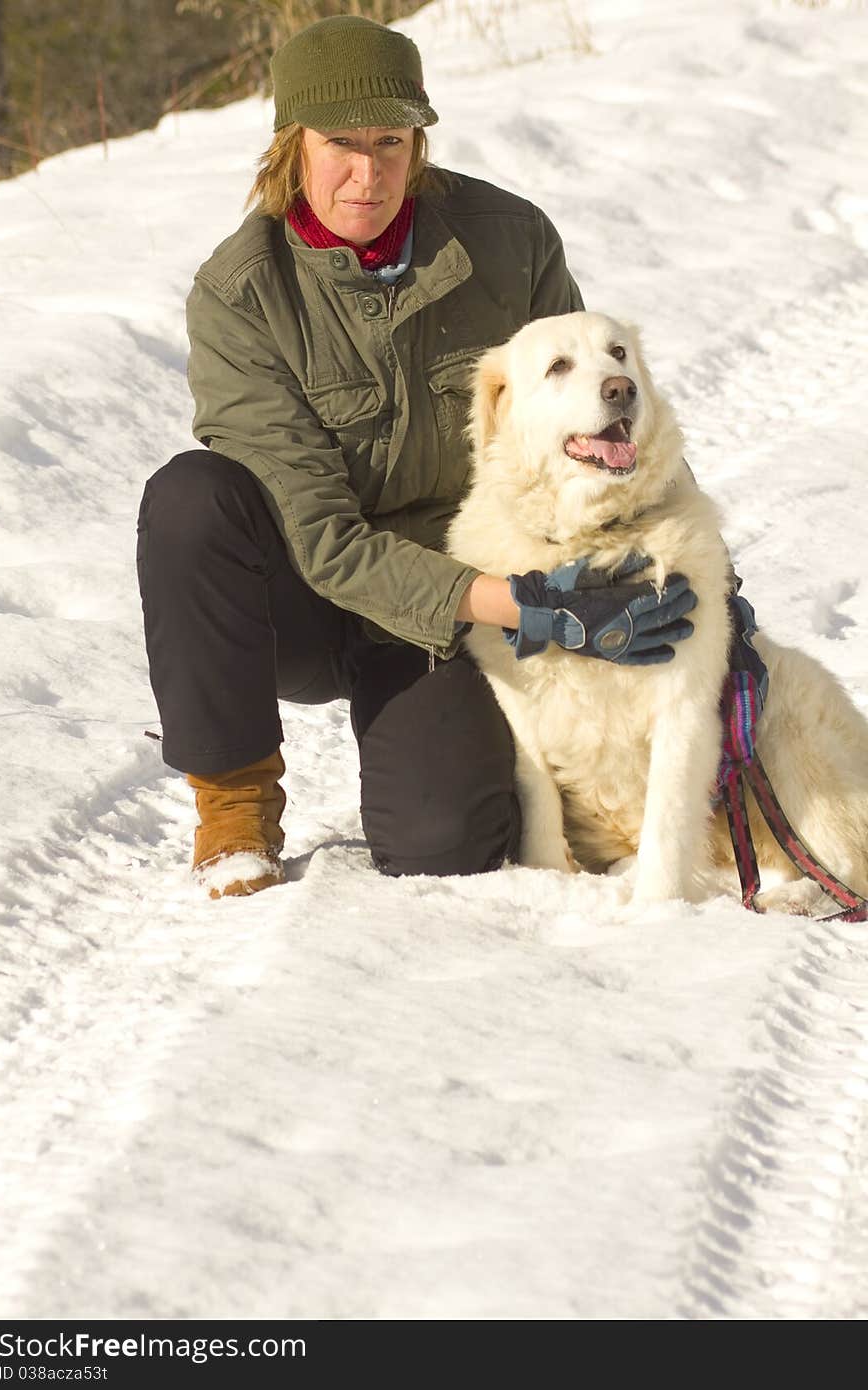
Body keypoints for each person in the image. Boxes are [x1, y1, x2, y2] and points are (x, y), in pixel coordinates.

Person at [136, 15, 696, 898]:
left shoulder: (509, 245)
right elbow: (320, 538)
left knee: (447, 840)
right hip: (310, 601)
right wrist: (525, 605)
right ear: (292, 144)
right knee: (191, 499)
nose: (369, 173)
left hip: (455, 602)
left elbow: (596, 416)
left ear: (420, 140)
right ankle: (235, 805)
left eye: (391, 142)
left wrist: (690, 566)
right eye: (340, 145)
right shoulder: (242, 294)